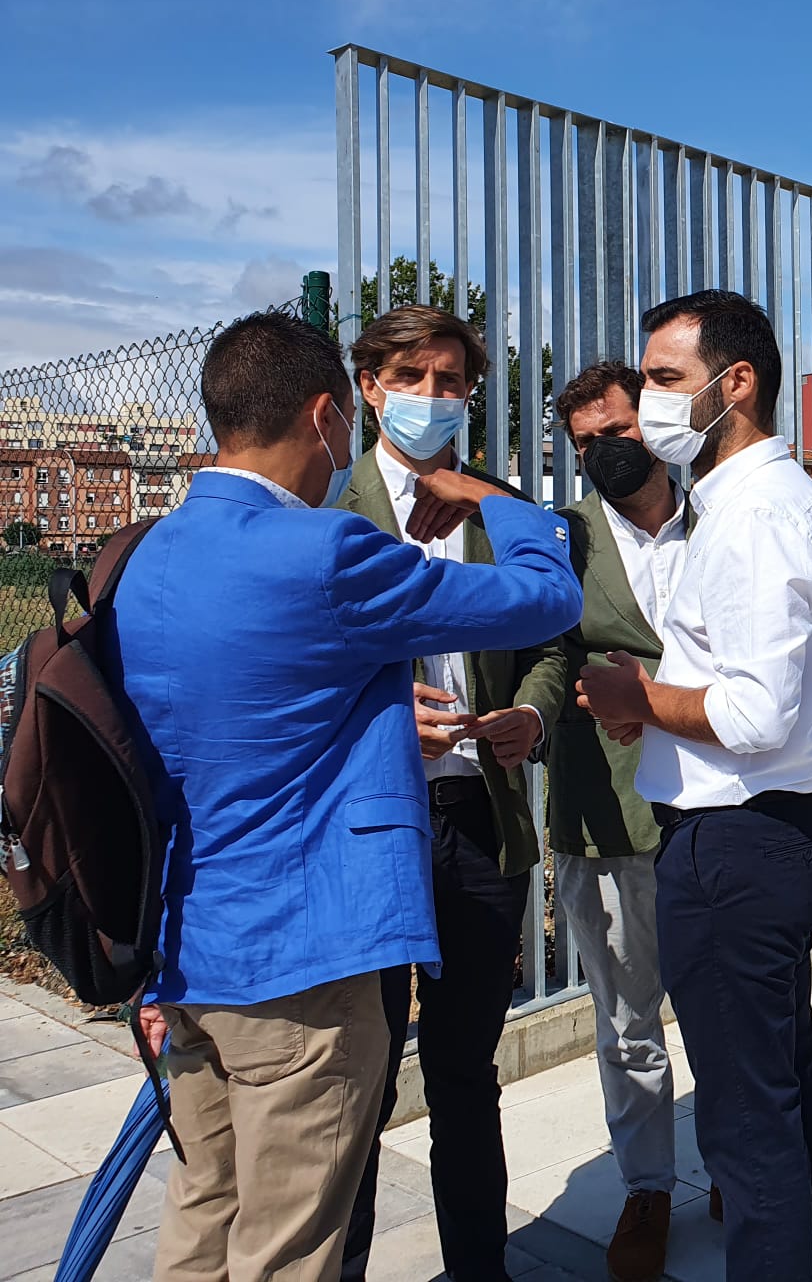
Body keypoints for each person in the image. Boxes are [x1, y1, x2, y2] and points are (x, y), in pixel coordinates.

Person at [111, 311, 580, 1282]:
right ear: (333, 414)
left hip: (193, 952)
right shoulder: (323, 549)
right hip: (304, 962)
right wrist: (501, 500)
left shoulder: (144, 557)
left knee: (203, 1224)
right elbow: (547, 600)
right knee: (291, 1248)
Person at [577, 290, 812, 1282]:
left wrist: (637, 695)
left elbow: (754, 715)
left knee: (748, 1132)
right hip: (765, 834)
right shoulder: (746, 503)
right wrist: (652, 704)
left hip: (738, 846)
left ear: (734, 384)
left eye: (663, 379)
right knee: (784, 1097)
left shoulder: (754, 514)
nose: (647, 402)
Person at [336, 305, 556, 1282]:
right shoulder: (329, 516)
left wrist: (533, 718)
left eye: (451, 381)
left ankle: (481, 1270)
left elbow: (553, 642)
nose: (432, 398)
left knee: (467, 1071)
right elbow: (302, 671)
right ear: (369, 387)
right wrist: (389, 719)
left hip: (481, 817)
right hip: (372, 829)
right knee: (357, 1081)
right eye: (412, 378)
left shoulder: (496, 504)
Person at [515, 360, 687, 1281]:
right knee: (628, 1020)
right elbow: (548, 651)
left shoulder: (721, 519)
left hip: (715, 804)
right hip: (606, 805)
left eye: (616, 432)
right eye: (584, 444)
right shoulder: (566, 539)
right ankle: (648, 1187)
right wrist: (538, 717)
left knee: (738, 1005)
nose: (602, 453)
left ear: (651, 423)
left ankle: (744, 1160)